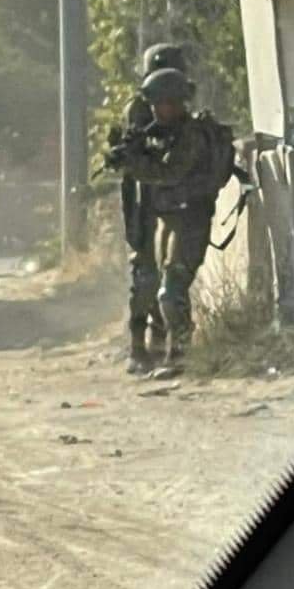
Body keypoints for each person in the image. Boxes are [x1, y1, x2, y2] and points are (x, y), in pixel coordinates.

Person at [105, 65, 219, 376]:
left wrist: (134, 163)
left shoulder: (191, 135)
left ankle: (180, 356)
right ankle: (167, 354)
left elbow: (170, 173)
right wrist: (124, 152)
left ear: (179, 102)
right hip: (167, 219)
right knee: (156, 287)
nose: (158, 110)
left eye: (164, 103)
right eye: (155, 104)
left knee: (171, 292)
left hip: (189, 220)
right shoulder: (161, 132)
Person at [116, 43, 194, 375]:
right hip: (144, 199)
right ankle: (138, 344)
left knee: (170, 275)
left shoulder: (181, 112)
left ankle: (169, 346)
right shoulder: (138, 109)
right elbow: (133, 154)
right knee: (144, 275)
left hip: (173, 201)